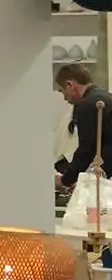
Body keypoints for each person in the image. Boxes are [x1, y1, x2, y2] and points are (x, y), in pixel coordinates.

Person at [56, 62, 112, 190]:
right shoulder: (105, 96)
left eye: (62, 91)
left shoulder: (88, 105)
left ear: (70, 84)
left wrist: (65, 180)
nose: (64, 98)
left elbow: (86, 150)